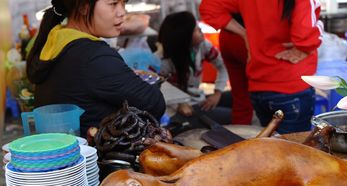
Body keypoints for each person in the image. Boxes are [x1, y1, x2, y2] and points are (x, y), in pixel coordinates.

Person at [26, 0, 165, 137]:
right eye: (113, 4)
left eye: (123, 3)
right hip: (97, 154)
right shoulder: (93, 56)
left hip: (63, 150)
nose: (122, 12)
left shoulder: (57, 40)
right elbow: (154, 103)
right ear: (83, 7)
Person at [200, 0, 323, 133]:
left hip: (259, 89)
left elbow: (209, 8)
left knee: (269, 148)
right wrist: (306, 47)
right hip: (290, 85)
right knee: (292, 150)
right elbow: (305, 35)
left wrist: (244, 33)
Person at [158, 11, 231, 131]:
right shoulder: (162, 60)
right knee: (233, 115)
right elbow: (158, 89)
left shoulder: (203, 45)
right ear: (184, 37)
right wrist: (178, 104)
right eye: (196, 29)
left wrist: (217, 93)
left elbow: (223, 66)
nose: (201, 30)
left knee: (239, 101)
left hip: (198, 99)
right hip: (183, 109)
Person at [218, 13, 254, 125]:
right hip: (250, 37)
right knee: (273, 96)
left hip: (227, 35)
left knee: (240, 98)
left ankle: (240, 138)